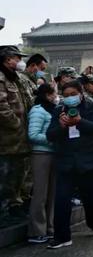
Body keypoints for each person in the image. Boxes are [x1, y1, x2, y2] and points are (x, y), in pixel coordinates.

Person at [46, 80, 93, 249]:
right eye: (65, 96)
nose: (69, 98)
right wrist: (61, 126)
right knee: (61, 199)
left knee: (92, 200)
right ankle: (62, 236)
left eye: (73, 95)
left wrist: (79, 122)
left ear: (81, 93)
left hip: (90, 162)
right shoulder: (59, 110)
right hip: (66, 162)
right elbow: (50, 135)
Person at [0, 45, 33, 225]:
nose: (19, 61)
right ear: (7, 58)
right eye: (16, 58)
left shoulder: (14, 79)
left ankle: (12, 208)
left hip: (18, 140)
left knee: (15, 176)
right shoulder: (1, 78)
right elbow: (2, 108)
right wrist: (16, 123)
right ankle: (2, 212)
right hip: (6, 139)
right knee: (4, 176)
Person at [26, 83, 58, 243]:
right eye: (54, 94)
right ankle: (36, 230)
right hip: (41, 154)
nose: (56, 97)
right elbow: (33, 134)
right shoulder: (38, 111)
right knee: (40, 193)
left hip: (54, 154)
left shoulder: (53, 110)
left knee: (52, 193)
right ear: (47, 95)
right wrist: (52, 140)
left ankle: (50, 227)